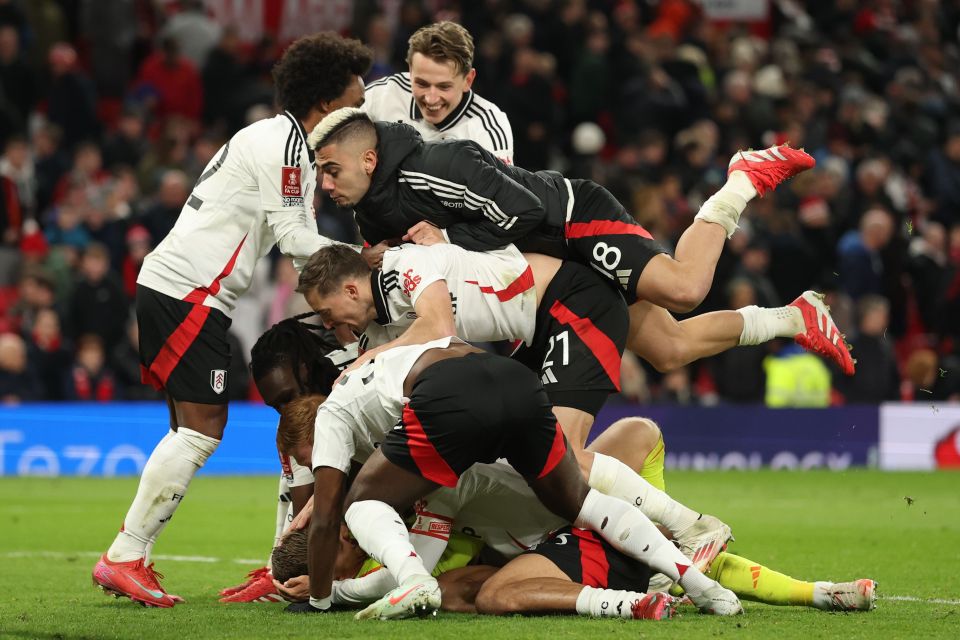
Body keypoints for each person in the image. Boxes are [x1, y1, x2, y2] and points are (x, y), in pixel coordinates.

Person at [91, 33, 388, 608]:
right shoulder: (281, 143)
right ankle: (125, 555)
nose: (362, 108)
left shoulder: (286, 144)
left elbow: (296, 243)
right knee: (200, 430)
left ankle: (271, 566)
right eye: (354, 98)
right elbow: (299, 242)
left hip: (190, 292)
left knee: (213, 424)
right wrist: (370, 263)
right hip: (188, 292)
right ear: (326, 102)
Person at [308, 108, 854, 375]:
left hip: (570, 221)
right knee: (668, 351)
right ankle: (795, 318)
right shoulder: (371, 212)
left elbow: (523, 209)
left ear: (369, 159)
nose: (326, 185)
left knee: (684, 289)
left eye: (332, 171)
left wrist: (448, 235)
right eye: (320, 176)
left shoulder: (435, 163)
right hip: (547, 272)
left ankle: (741, 179)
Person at [276, 337, 742, 618]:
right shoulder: (390, 416)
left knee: (359, 504)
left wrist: (322, 598)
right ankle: (703, 587)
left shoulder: (338, 418)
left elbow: (327, 518)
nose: (321, 467)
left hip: (453, 401)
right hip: (510, 377)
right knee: (583, 500)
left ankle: (412, 583)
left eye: (313, 457)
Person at [270, 417, 877, 617]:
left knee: (491, 595)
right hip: (564, 523)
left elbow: (413, 576)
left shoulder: (421, 485)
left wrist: (336, 591)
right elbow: (423, 577)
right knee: (462, 588)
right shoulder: (415, 468)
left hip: (575, 524)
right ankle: (820, 592)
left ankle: (645, 581)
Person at [362, 21, 513, 165]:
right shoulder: (381, 95)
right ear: (410, 71)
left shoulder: (488, 128)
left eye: (444, 87)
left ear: (468, 80)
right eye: (422, 84)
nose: (431, 98)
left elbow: (499, 191)